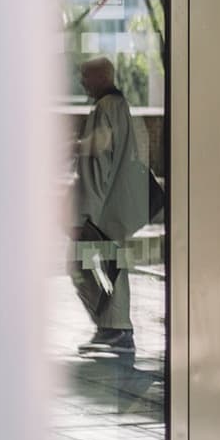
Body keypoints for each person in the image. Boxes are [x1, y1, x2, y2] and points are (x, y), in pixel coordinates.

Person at [73, 57, 151, 355]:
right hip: (113, 201)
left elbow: (99, 149)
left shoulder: (107, 107)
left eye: (85, 75)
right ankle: (113, 328)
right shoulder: (120, 105)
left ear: (100, 77)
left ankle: (116, 329)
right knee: (106, 264)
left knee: (91, 264)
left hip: (101, 204)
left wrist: (74, 146)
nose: (82, 82)